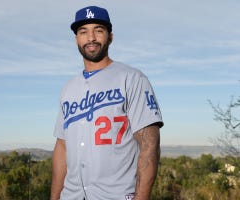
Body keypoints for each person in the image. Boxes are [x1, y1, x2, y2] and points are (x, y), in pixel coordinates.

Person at [50, 6, 163, 200]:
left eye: (98, 30)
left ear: (110, 37)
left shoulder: (131, 78)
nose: (91, 38)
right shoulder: (68, 89)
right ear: (76, 39)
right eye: (83, 32)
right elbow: (62, 147)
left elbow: (149, 143)